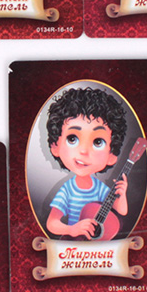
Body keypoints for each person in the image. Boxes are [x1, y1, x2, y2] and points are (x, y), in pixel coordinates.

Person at [45, 87, 128, 240]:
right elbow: (51, 223)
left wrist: (121, 196)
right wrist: (72, 229)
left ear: (111, 156)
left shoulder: (100, 189)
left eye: (98, 142)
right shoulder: (68, 190)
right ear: (55, 146)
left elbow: (121, 211)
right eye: (72, 139)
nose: (83, 151)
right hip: (73, 245)